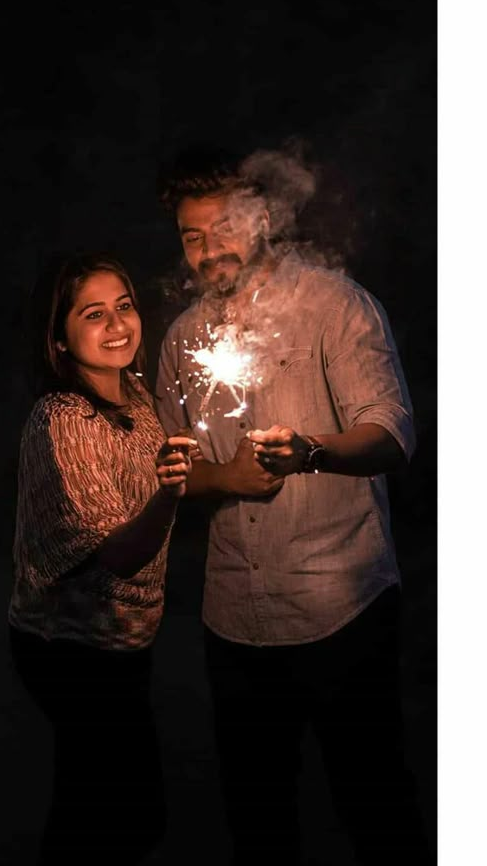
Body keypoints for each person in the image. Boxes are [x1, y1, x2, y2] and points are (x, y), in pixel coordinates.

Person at [154, 147, 431, 865]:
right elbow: (169, 471)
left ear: (265, 219)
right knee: (258, 816)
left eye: (223, 228)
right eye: (192, 236)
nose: (209, 249)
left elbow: (392, 432)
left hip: (342, 604)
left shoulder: (335, 305)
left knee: (374, 804)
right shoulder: (185, 337)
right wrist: (228, 479)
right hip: (234, 617)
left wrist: (311, 449)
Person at [8, 253, 196, 866]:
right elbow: (118, 553)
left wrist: (240, 471)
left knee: (119, 813)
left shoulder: (136, 394)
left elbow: (165, 471)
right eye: (94, 313)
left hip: (123, 644)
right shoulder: (64, 417)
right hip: (71, 648)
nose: (118, 324)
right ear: (59, 337)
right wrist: (170, 495)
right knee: (110, 818)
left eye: (124, 305)